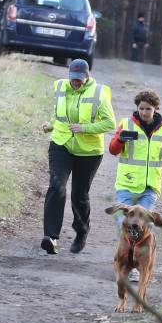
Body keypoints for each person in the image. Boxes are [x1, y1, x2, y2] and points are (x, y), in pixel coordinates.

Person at [108, 89, 162, 281]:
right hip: (126, 184)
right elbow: (112, 150)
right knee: (125, 225)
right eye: (141, 108)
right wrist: (120, 140)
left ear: (155, 109)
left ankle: (135, 265)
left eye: (148, 109)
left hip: (150, 187)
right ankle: (124, 260)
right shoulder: (126, 125)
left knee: (140, 225)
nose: (144, 112)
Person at [41, 59, 116, 254]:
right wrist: (51, 124)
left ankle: (81, 232)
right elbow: (60, 114)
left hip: (89, 151)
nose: (76, 82)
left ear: (87, 76)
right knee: (57, 185)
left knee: (79, 194)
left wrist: (85, 128)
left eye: (79, 79)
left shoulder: (98, 93)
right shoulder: (60, 87)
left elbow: (110, 123)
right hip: (61, 143)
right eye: (73, 79)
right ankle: (51, 237)